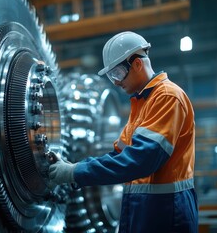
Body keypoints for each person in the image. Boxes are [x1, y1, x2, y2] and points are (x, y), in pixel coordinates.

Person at [48, 31, 198, 232]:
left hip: (167, 213)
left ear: (137, 64)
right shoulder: (141, 104)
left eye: (117, 74)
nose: (116, 82)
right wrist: (75, 167)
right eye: (111, 77)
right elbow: (120, 156)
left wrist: (76, 173)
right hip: (143, 210)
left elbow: (140, 160)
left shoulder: (168, 97)